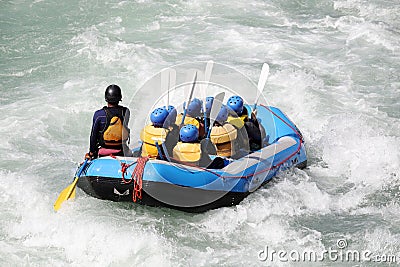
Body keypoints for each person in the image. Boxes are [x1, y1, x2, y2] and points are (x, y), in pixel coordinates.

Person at [86, 84, 131, 159]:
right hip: (122, 150)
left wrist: (91, 152)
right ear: (119, 98)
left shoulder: (99, 115)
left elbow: (93, 136)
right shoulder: (126, 112)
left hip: (104, 150)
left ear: (106, 98)